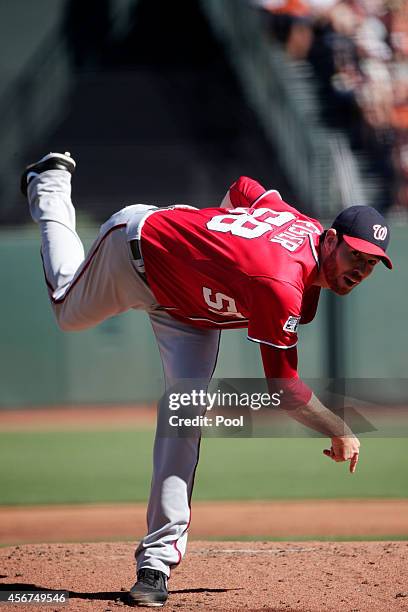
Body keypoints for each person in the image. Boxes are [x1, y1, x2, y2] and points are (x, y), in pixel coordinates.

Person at [21, 151, 392, 607]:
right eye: (357, 254)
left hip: (192, 314)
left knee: (184, 414)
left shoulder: (297, 228)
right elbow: (285, 389)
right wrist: (340, 428)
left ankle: (155, 564)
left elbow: (243, 186)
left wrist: (218, 246)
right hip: (138, 252)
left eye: (373, 263)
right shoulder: (280, 280)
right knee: (65, 308)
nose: (362, 268)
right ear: (331, 239)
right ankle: (50, 186)